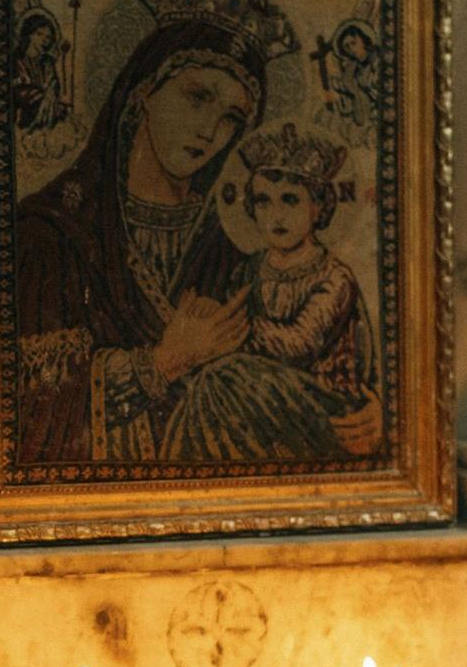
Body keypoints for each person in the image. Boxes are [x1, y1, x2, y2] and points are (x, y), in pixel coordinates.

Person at [12, 0, 292, 466]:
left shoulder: (228, 248)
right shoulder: (52, 235)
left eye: (232, 117)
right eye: (198, 96)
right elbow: (31, 417)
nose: (211, 130)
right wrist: (164, 361)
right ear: (143, 89)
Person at [159, 121, 383, 463]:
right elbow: (223, 324)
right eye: (263, 201)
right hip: (257, 396)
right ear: (250, 208)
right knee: (210, 384)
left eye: (290, 200)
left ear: (318, 207)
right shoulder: (247, 270)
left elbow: (299, 344)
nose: (276, 215)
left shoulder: (334, 278)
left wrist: (227, 330)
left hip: (322, 402)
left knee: (220, 380)